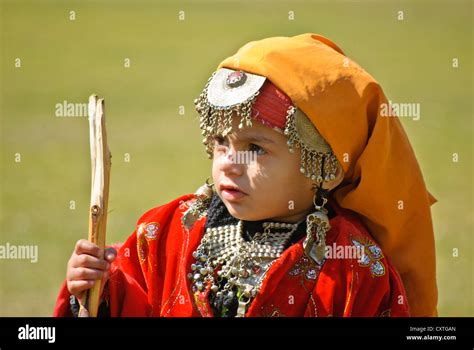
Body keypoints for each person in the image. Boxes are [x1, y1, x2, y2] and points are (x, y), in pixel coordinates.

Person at [54, 33, 437, 317]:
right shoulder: (164, 233)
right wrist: (89, 291)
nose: (228, 163)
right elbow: (124, 302)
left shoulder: (352, 266)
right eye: (221, 142)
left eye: (256, 148)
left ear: (320, 163)